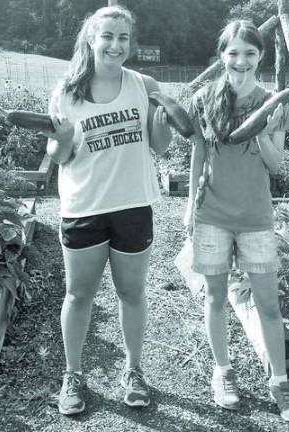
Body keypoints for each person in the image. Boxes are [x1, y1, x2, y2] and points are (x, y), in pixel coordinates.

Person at [43, 5, 172, 415]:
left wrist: (163, 119)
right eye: (108, 37)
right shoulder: (67, 90)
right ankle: (73, 374)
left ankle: (133, 370)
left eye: (123, 38)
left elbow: (161, 146)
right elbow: (58, 155)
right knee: (79, 294)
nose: (116, 45)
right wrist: (62, 138)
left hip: (133, 204)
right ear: (91, 40)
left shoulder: (144, 85)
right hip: (84, 206)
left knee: (131, 293)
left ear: (130, 43)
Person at [184, 19, 289, 423]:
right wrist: (189, 208)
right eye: (233, 53)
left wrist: (263, 131)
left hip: (256, 217)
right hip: (213, 214)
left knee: (268, 305)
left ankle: (280, 381)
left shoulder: (275, 102)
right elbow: (199, 155)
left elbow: (275, 165)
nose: (241, 61)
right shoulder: (203, 98)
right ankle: (223, 373)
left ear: (261, 56)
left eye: (249, 53)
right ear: (222, 56)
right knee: (215, 298)